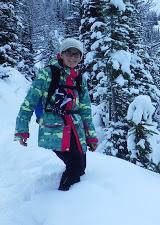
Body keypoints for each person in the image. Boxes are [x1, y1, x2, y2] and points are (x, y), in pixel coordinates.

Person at [14, 38, 98, 191]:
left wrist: (91, 135)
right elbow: (29, 102)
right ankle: (61, 199)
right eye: (69, 53)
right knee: (76, 167)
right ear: (61, 54)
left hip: (75, 128)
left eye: (76, 54)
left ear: (81, 57)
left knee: (80, 166)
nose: (72, 58)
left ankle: (75, 196)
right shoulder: (48, 73)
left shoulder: (79, 78)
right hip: (54, 128)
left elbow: (85, 109)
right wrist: (21, 130)